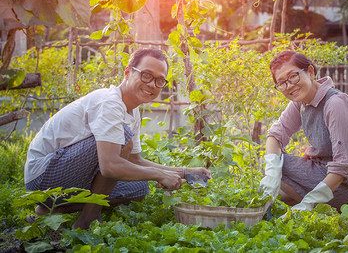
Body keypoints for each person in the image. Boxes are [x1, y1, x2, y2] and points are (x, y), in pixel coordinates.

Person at [24, 48, 211, 230]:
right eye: (146, 75)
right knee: (121, 142)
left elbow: (134, 160)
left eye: (159, 80)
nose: (152, 84)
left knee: (139, 188)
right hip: (43, 177)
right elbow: (110, 166)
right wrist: (160, 175)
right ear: (128, 72)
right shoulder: (110, 102)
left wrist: (184, 172)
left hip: (67, 176)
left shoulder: (133, 110)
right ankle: (86, 222)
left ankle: (52, 210)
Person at [260, 51, 348, 213]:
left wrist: (309, 202)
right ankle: (302, 205)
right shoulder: (300, 102)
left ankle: (312, 207)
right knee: (273, 162)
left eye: (293, 76)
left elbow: (341, 168)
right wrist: (272, 174)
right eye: (281, 83)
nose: (289, 86)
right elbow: (275, 135)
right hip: (324, 172)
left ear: (310, 72)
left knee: (282, 169)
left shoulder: (335, 104)